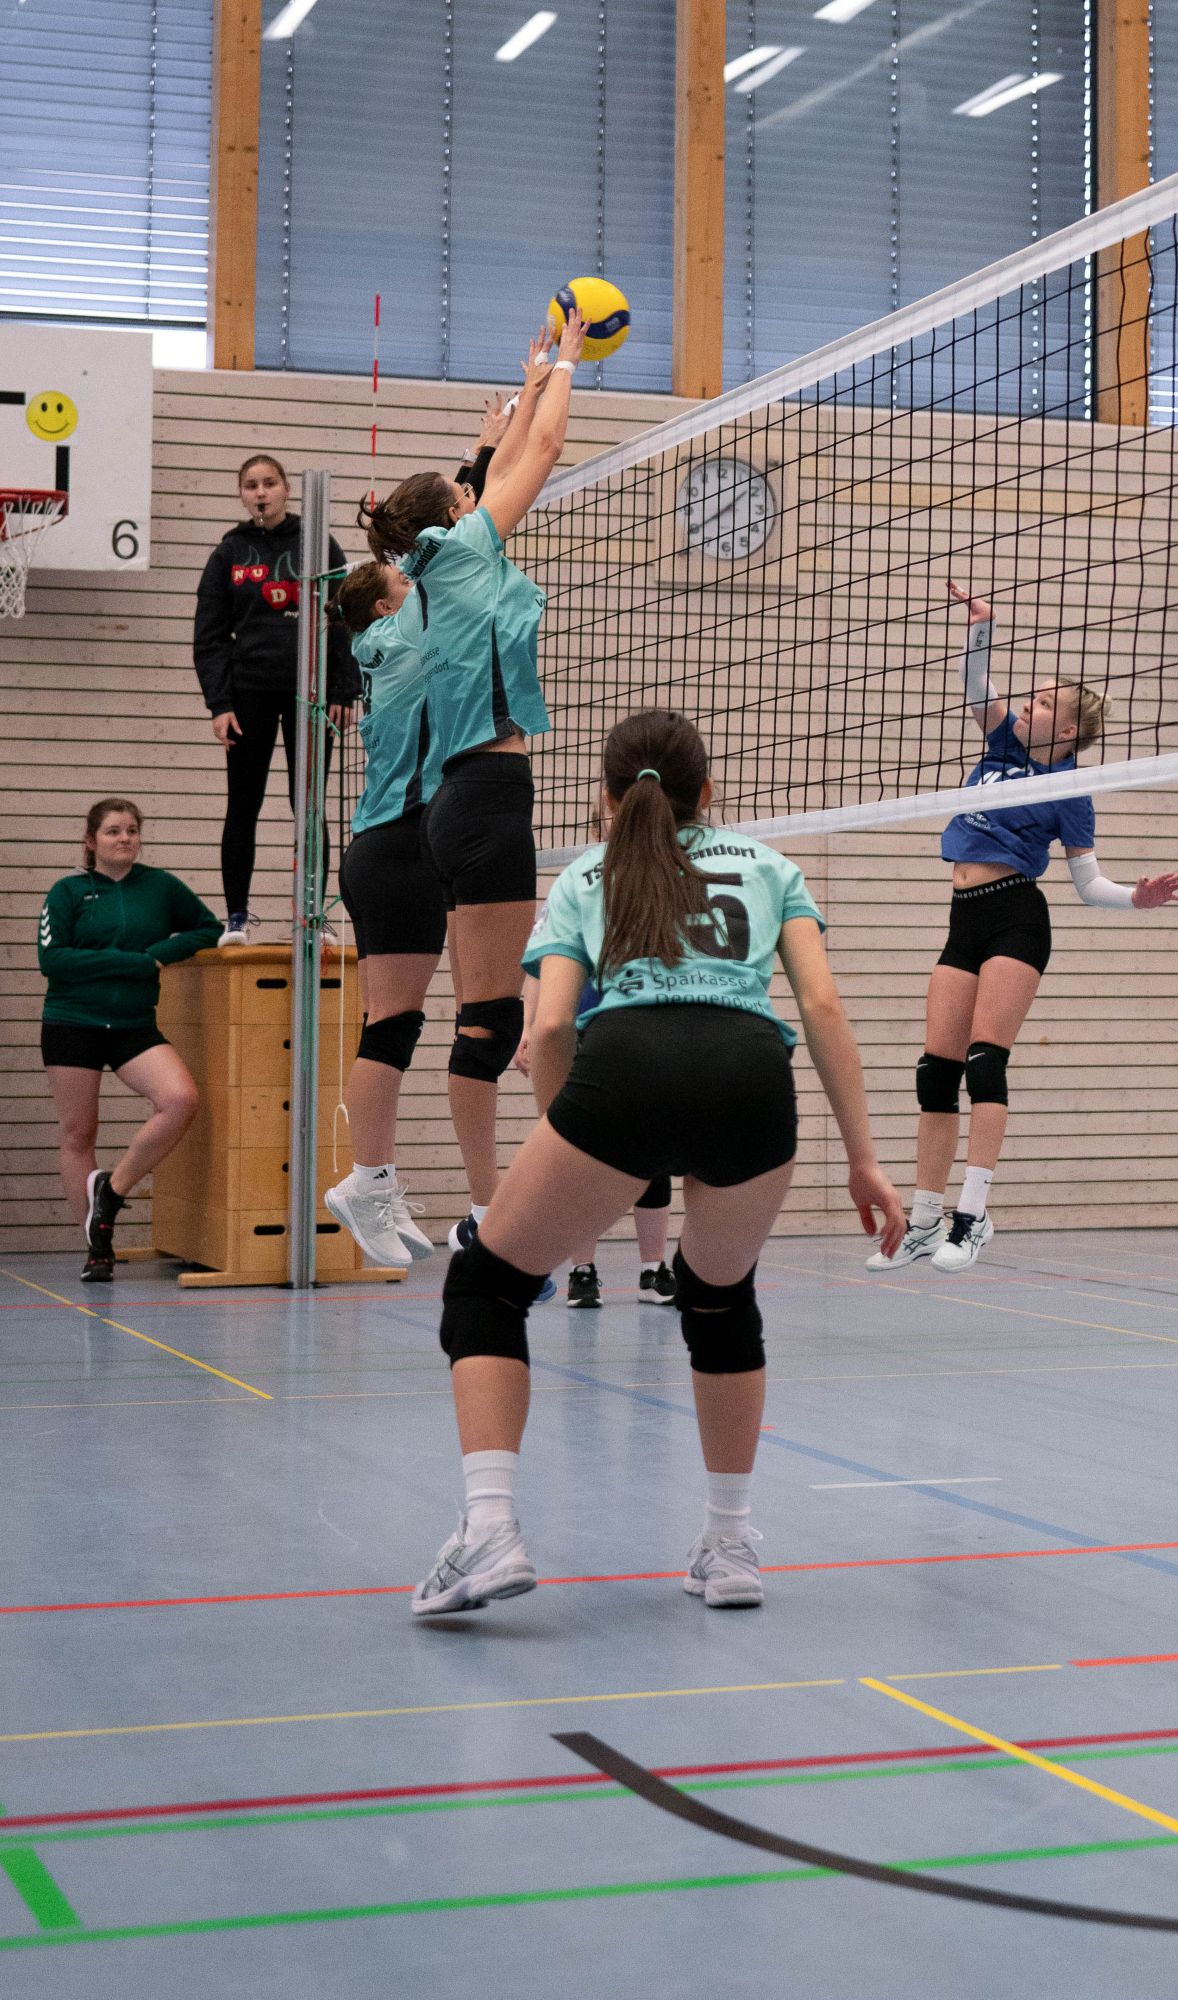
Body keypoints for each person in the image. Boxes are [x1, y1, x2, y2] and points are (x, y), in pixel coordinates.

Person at [412, 708, 905, 1620]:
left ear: (606, 799)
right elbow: (823, 1008)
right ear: (707, 792)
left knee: (485, 1285)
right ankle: (730, 1546)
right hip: (750, 1076)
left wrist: (566, 1141)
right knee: (720, 1302)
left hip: (627, 1071)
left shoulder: (585, 875)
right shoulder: (772, 867)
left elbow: (547, 1028)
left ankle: (489, 1529)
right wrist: (865, 1159)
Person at [870, 582, 1178, 1279]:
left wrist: (1136, 897)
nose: (1027, 704)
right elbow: (974, 682)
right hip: (964, 918)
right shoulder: (1001, 743)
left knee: (985, 1064)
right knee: (935, 1073)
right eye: (1032, 696)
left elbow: (1089, 885)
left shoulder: (1068, 791)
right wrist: (980, 626)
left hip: (1017, 917)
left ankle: (972, 1216)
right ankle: (924, 1221)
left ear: (1066, 732)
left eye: (1043, 703)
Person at [320, 379, 558, 1272]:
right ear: (392, 597)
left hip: (390, 841)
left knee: (394, 1028)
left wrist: (485, 445)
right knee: (422, 1024)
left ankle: (370, 1179)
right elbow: (462, 532)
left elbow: (451, 523)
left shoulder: (388, 632)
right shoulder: (421, 616)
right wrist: (523, 418)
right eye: (399, 571)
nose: (409, 568)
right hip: (408, 837)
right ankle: (410, 1188)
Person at [360, 317, 585, 1257]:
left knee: (485, 1018)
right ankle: (491, 1213)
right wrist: (568, 361)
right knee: (490, 1022)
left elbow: (500, 468)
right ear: (453, 515)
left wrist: (526, 386)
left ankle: (483, 1207)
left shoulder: (441, 561)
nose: (478, 491)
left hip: (464, 800)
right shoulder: (460, 554)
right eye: (465, 493)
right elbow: (546, 452)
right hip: (485, 799)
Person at [38, 799, 221, 1283]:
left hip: (133, 1024)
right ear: (91, 840)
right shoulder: (67, 892)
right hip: (72, 1022)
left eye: (132, 831)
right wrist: (135, 962)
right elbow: (54, 961)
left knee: (180, 1100)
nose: (124, 839)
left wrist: (160, 953)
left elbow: (209, 928)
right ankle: (97, 1247)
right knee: (79, 1133)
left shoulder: (160, 887)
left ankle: (112, 1193)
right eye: (113, 831)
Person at [193, 453, 359, 945]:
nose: (261, 492)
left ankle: (313, 914)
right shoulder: (229, 552)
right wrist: (220, 704)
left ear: (286, 488)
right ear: (242, 495)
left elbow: (346, 619)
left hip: (309, 695)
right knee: (242, 805)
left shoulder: (318, 544)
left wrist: (344, 689)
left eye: (269, 483)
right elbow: (209, 636)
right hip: (248, 696)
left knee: (308, 807)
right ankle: (237, 917)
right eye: (251, 485)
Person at [516, 968, 677, 1307]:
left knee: (652, 1146)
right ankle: (582, 1272)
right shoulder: (569, 930)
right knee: (578, 1153)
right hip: (578, 1031)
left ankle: (653, 1270)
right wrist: (528, 1026)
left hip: (643, 1028)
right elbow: (541, 968)